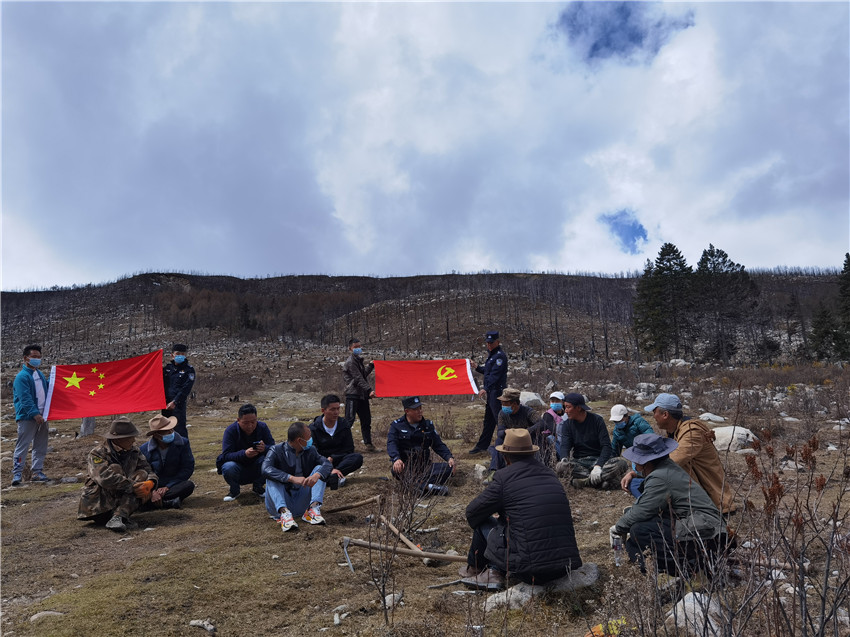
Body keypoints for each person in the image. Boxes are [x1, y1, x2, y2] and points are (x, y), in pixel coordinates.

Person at [461, 429, 583, 590]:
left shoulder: (504, 477)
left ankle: (481, 570)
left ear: (505, 457)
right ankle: (486, 569)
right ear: (531, 453)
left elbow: (472, 513)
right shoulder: (550, 474)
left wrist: (502, 518)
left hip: (530, 569)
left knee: (485, 522)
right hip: (566, 565)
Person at [610, 433, 725, 577]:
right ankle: (654, 567)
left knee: (640, 531)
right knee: (633, 543)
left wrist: (618, 527)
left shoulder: (660, 478)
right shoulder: (667, 468)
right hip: (702, 527)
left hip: (706, 531)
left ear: (646, 463)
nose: (635, 464)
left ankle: (693, 569)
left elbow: (643, 510)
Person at [622, 393, 736, 515]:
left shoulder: (692, 432)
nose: (654, 416)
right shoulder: (676, 431)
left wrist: (637, 472)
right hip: (690, 487)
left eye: (655, 412)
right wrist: (636, 474)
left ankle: (652, 510)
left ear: (665, 415)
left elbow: (670, 463)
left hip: (709, 499)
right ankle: (651, 508)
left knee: (650, 482)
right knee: (634, 484)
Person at [77, 418, 158, 532]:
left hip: (121, 498)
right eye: (130, 437)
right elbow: (104, 478)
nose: (133, 440)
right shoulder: (97, 453)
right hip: (98, 506)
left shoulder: (134, 451)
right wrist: (133, 486)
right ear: (119, 439)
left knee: (142, 475)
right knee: (115, 469)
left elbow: (148, 470)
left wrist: (150, 483)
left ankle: (119, 516)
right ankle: (117, 516)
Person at [262, 422, 332, 532]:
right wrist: (291, 478)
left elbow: (327, 464)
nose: (311, 439)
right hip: (281, 502)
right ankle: (285, 514)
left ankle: (313, 509)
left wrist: (317, 475)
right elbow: (265, 469)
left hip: (302, 499)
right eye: (309, 436)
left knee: (320, 469)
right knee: (271, 477)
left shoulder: (311, 450)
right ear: (299, 440)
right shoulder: (276, 450)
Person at [387, 396, 456, 495]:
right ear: (407, 411)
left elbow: (438, 445)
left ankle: (418, 486)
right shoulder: (396, 426)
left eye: (420, 408)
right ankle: (429, 487)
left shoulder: (427, 425)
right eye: (416, 409)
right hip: (406, 466)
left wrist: (449, 457)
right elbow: (391, 444)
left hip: (425, 467)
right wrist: (396, 459)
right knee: (397, 471)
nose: (420, 412)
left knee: (449, 468)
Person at [557, 393, 628, 489]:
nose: (565, 411)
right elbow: (565, 445)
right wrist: (564, 458)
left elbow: (606, 446)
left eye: (568, 407)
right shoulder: (567, 424)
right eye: (565, 407)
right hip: (580, 462)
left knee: (621, 464)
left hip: (598, 460)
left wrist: (598, 466)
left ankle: (586, 481)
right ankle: (600, 481)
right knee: (560, 467)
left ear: (578, 408)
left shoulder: (597, 420)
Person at [216, 404, 275, 502]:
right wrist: (244, 454)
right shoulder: (231, 431)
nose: (250, 426)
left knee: (271, 460)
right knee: (228, 467)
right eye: (246, 423)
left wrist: (265, 448)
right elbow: (226, 455)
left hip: (258, 465)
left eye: (253, 422)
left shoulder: (262, 427)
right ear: (238, 420)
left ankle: (258, 487)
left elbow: (273, 449)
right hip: (238, 467)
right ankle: (234, 490)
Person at [12, 344, 50, 485]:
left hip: (43, 415)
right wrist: (35, 414)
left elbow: (46, 388)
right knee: (23, 445)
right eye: (34, 356)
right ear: (25, 358)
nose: (37, 359)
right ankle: (17, 473)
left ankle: (37, 471)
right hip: (28, 417)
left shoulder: (39, 374)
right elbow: (25, 398)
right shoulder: (22, 377)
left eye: (39, 357)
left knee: (40, 445)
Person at [139, 415, 195, 509]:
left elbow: (187, 467)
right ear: (156, 435)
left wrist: (168, 486)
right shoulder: (144, 449)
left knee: (188, 485)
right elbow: (144, 472)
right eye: (166, 431)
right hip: (152, 485)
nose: (170, 433)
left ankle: (154, 503)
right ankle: (168, 502)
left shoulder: (183, 443)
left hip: (174, 484)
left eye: (171, 430)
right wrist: (153, 491)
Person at [309, 394, 363, 489]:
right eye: (332, 409)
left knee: (357, 458)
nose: (336, 412)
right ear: (323, 410)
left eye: (338, 409)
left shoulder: (344, 425)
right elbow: (313, 452)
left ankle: (331, 476)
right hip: (321, 462)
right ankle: (330, 477)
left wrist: (333, 458)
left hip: (339, 461)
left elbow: (349, 449)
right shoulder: (313, 428)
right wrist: (325, 461)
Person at [487, 388, 545, 476]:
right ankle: (494, 470)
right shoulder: (502, 414)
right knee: (498, 441)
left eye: (505, 403)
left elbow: (542, 424)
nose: (502, 405)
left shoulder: (528, 412)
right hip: (511, 441)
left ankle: (538, 468)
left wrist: (525, 432)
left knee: (539, 439)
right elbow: (499, 432)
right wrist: (507, 432)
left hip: (527, 440)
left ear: (514, 404)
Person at [469, 331, 508, 455]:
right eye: (487, 343)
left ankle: (508, 444)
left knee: (499, 420)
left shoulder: (500, 357)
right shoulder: (492, 356)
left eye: (491, 342)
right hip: (492, 393)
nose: (489, 345)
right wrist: (476, 367)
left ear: (498, 342)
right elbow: (487, 371)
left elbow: (495, 375)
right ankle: (482, 446)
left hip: (497, 393)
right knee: (489, 421)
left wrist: (485, 388)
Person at [610, 404, 654, 498]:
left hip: (648, 455)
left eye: (619, 420)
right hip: (636, 459)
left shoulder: (638, 422)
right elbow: (614, 450)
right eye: (615, 421)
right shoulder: (617, 431)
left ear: (626, 416)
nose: (617, 423)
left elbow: (651, 437)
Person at [343, 337, 376, 452]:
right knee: (349, 421)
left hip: (362, 395)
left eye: (359, 346)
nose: (358, 349)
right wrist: (369, 390)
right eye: (355, 347)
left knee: (366, 420)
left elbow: (362, 376)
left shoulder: (358, 360)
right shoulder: (351, 362)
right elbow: (358, 378)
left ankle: (368, 445)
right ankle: (343, 446)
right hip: (353, 395)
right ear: (350, 348)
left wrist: (370, 366)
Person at [162, 344, 196, 438]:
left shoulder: (189, 370)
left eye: (182, 354)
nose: (180, 356)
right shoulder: (167, 369)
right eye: (177, 354)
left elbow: (186, 388)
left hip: (178, 404)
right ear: (172, 355)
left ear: (185, 355)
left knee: (179, 429)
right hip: (165, 403)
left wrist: (175, 401)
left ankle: (183, 447)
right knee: (165, 429)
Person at [543, 391, 566, 460]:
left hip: (564, 435)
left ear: (562, 402)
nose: (555, 403)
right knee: (551, 438)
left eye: (557, 401)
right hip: (553, 437)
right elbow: (553, 430)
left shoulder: (566, 413)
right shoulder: (548, 415)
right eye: (552, 401)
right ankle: (563, 457)